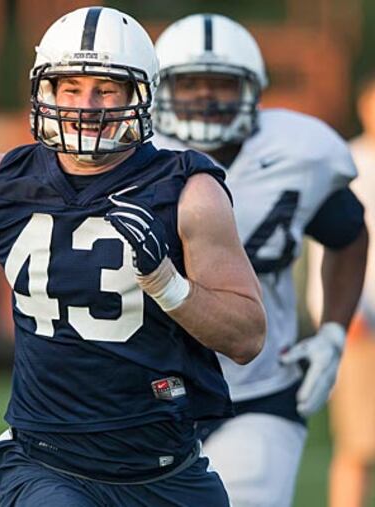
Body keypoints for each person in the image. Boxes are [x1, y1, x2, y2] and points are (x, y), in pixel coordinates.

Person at [0, 7, 266, 506]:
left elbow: (246, 337)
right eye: (70, 88)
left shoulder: (189, 193)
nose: (86, 105)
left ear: (140, 95)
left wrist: (168, 284)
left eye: (106, 89)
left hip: (166, 467)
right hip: (45, 461)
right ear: (45, 92)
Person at [152, 13, 368, 507]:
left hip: (258, 390)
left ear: (254, 89)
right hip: (141, 396)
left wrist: (333, 331)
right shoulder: (132, 156)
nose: (206, 97)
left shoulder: (300, 151)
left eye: (221, 83)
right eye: (189, 84)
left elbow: (349, 236)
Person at [307, 73, 375, 507]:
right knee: (358, 446)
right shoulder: (347, 161)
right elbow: (329, 245)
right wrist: (334, 316)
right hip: (361, 324)